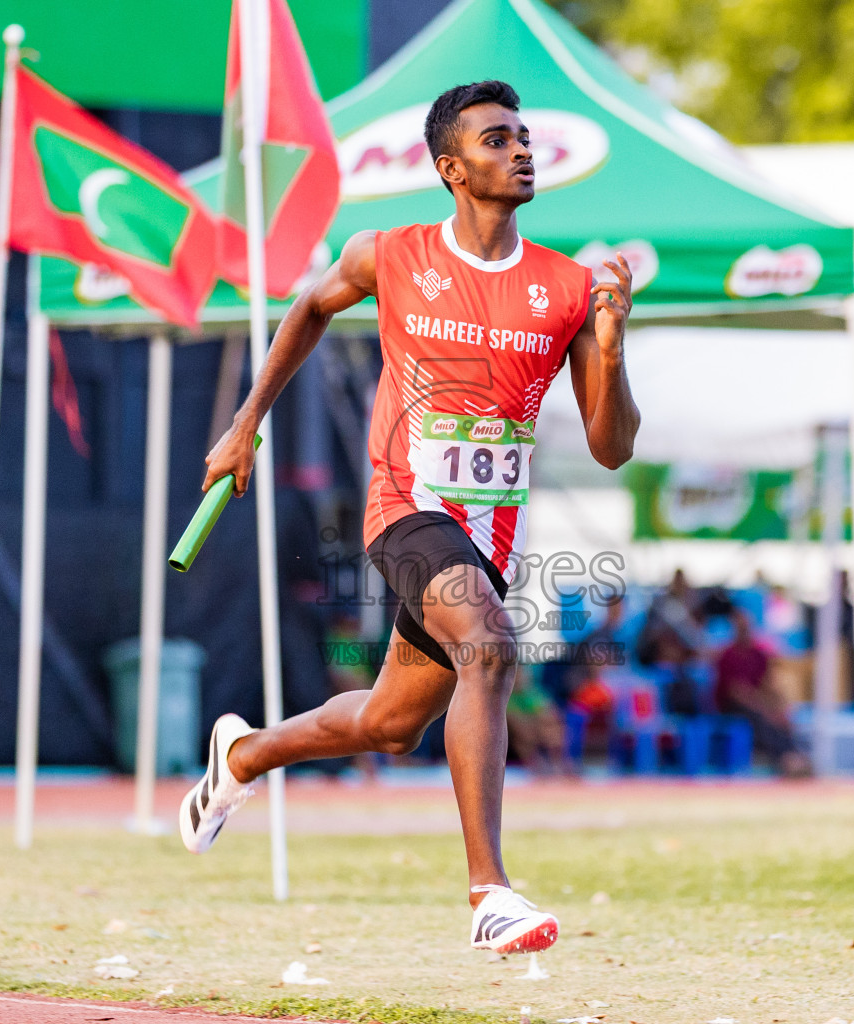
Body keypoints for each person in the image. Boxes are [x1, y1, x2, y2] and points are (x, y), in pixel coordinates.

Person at [179, 81, 641, 956]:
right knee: (491, 647)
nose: (521, 150)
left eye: (524, 137)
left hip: (488, 536)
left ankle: (241, 759)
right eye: (497, 140)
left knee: (392, 723)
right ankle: (489, 892)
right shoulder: (388, 255)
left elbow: (612, 447)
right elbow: (310, 308)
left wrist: (612, 357)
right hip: (405, 508)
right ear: (451, 168)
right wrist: (245, 426)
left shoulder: (570, 288)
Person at [714, 606, 811, 777]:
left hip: (756, 703)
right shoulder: (727, 655)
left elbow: (768, 685)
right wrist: (764, 708)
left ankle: (794, 755)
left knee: (779, 719)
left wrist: (779, 708)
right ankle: (786, 759)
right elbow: (735, 692)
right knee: (758, 719)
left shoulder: (758, 655)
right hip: (734, 707)